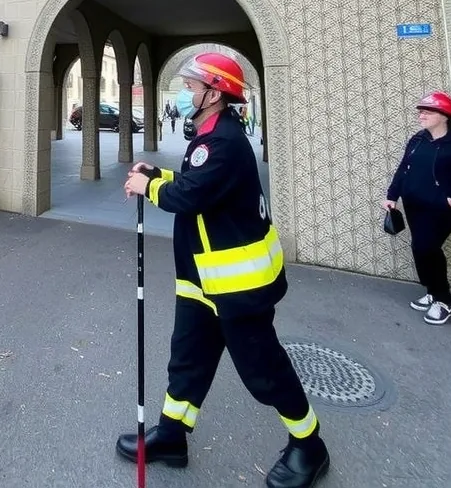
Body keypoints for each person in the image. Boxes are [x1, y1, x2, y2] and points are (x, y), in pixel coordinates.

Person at [117, 52, 329, 488]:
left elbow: (191, 197)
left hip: (238, 286)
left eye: (193, 86)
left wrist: (148, 185)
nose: (186, 92)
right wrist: (156, 172)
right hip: (202, 279)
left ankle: (309, 446)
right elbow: (199, 184)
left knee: (263, 370)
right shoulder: (211, 136)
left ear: (214, 94)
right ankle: (173, 437)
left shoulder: (224, 142)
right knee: (188, 359)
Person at [382, 91, 451, 325]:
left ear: (445, 116)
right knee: (420, 248)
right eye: (421, 111)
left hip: (440, 210)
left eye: (428, 112)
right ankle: (432, 291)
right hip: (414, 206)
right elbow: (403, 169)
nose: (421, 115)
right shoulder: (417, 140)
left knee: (427, 248)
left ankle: (444, 300)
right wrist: (392, 195)